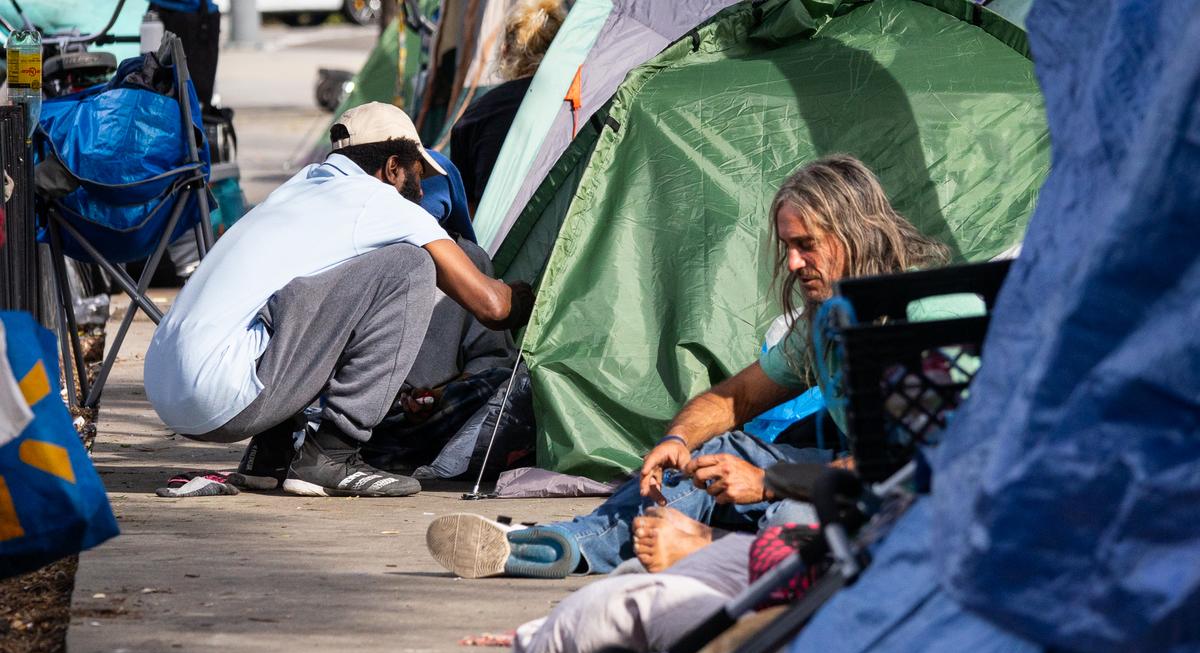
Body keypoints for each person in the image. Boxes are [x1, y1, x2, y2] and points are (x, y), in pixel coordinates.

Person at [425, 154, 950, 576]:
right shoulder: (827, 319)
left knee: (794, 516)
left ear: (855, 233)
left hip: (921, 506)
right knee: (712, 456)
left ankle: (705, 546)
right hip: (851, 477)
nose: (792, 264)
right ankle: (559, 546)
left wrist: (772, 483)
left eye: (806, 246)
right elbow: (734, 399)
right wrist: (678, 441)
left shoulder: (929, 311)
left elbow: (932, 463)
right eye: (788, 247)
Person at [145, 102, 533, 498]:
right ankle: (332, 452)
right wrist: (534, 297)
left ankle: (270, 455)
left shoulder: (295, 192)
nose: (420, 190)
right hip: (224, 393)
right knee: (411, 265)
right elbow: (493, 306)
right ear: (393, 168)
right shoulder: (379, 201)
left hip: (169, 388)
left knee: (307, 286)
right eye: (418, 175)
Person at [450, 0, 566, 209]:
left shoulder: (477, 114)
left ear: (505, 51)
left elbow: (465, 207)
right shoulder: (577, 106)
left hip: (490, 236)